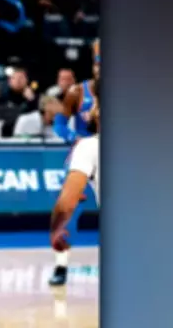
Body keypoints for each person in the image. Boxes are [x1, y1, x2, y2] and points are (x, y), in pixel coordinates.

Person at [49, 39, 100, 285]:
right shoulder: (77, 92)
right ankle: (61, 266)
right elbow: (59, 124)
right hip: (83, 153)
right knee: (69, 211)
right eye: (98, 64)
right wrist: (72, 136)